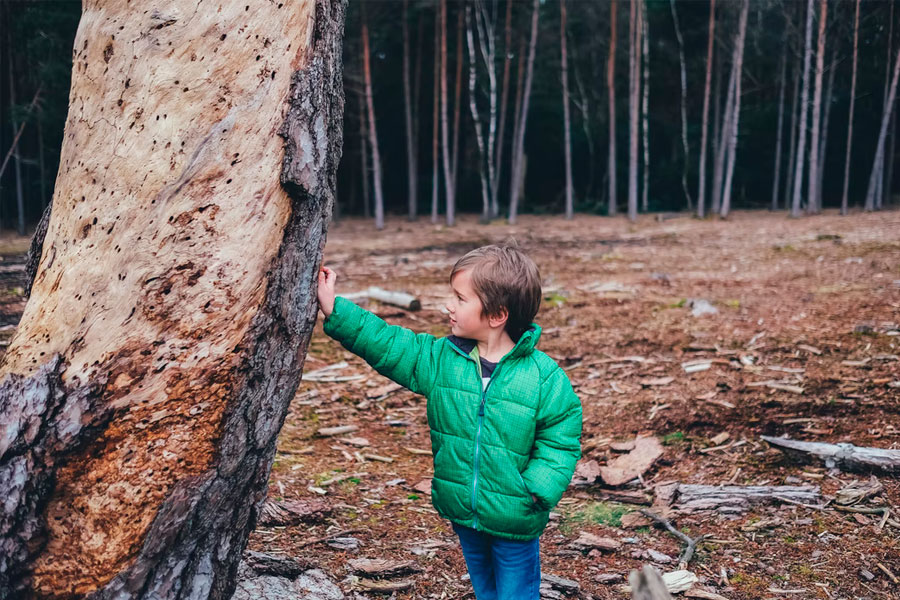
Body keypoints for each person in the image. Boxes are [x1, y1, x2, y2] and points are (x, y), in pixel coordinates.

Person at [317, 243, 582, 600]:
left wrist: (537, 488)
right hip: (462, 509)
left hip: (514, 514)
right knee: (484, 587)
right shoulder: (443, 359)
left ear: (497, 314)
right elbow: (389, 344)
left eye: (460, 299)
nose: (448, 306)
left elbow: (561, 438)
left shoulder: (543, 377)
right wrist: (336, 309)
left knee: (516, 593)